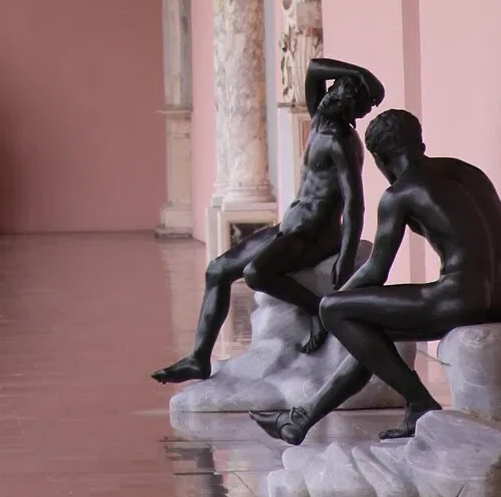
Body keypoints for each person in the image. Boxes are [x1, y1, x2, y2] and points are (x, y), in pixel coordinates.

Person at [252, 107, 501, 446]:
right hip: (496, 301)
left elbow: (375, 271)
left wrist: (329, 304)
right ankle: (301, 419)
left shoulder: (399, 195)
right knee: (370, 339)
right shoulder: (467, 173)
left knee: (336, 310)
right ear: (419, 142)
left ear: (379, 158)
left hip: (457, 300)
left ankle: (419, 401)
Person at [152, 58, 385, 385]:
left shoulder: (340, 140)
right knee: (217, 270)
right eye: (335, 89)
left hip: (317, 233)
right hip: (292, 227)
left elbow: (355, 203)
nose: (330, 95)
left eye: (341, 94)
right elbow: (314, 68)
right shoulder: (320, 119)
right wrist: (358, 72)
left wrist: (345, 257)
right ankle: (198, 359)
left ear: (348, 106)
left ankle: (318, 310)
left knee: (256, 273)